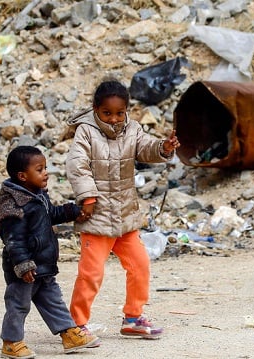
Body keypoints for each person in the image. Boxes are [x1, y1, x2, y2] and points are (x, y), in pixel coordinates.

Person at [65, 79, 180, 339]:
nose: (114, 119)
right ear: (95, 109)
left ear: (127, 111)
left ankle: (133, 317)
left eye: (119, 113)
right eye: (107, 113)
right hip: (96, 217)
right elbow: (77, 164)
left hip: (125, 216)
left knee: (140, 265)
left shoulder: (133, 129)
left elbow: (145, 148)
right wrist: (88, 196)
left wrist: (164, 147)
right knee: (91, 274)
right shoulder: (86, 131)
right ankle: (75, 324)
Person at [0, 146, 100, 359]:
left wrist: (72, 211)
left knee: (53, 300)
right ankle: (11, 342)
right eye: (40, 169)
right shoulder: (13, 205)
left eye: (45, 168)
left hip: (43, 265)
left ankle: (69, 333)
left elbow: (51, 214)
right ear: (23, 176)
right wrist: (23, 264)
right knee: (18, 304)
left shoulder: (38, 196)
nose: (46, 173)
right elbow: (14, 240)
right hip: (25, 268)